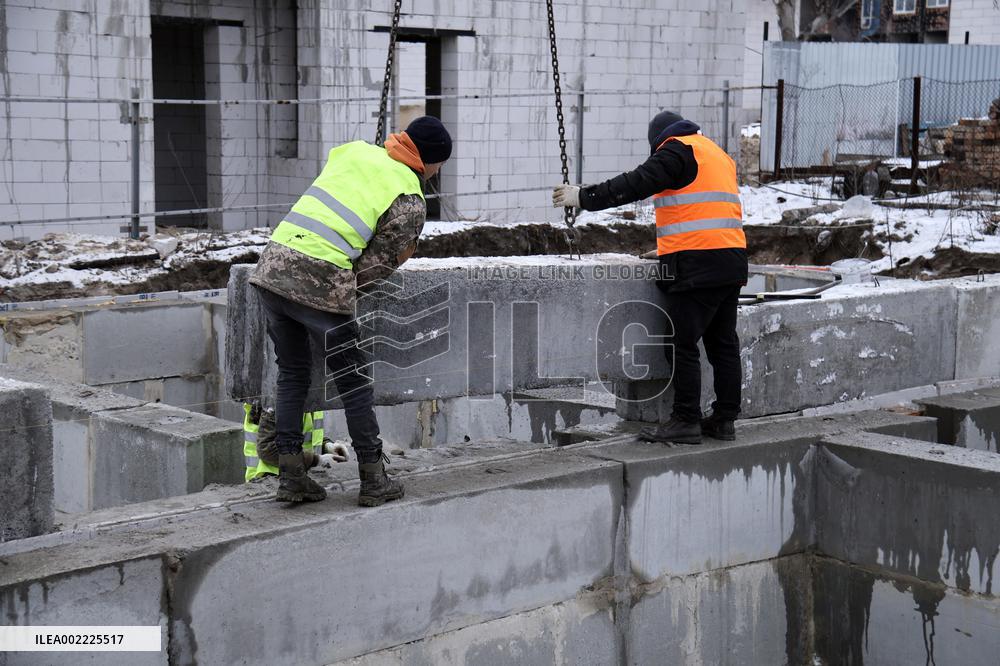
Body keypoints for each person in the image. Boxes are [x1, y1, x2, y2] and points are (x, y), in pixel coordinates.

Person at [250, 116, 452, 503]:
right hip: (320, 277)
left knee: (293, 372)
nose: (438, 172)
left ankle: (291, 476)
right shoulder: (409, 199)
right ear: (429, 161)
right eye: (439, 165)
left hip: (272, 268)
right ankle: (374, 480)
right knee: (354, 383)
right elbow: (375, 268)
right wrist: (336, 292)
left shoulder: (356, 151)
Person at [553, 111, 747, 445]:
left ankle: (686, 420)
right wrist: (672, 248)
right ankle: (725, 420)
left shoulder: (675, 150)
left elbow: (635, 183)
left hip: (697, 265)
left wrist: (585, 197)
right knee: (723, 344)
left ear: (658, 141)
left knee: (682, 343)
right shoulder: (715, 153)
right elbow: (705, 209)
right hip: (730, 259)